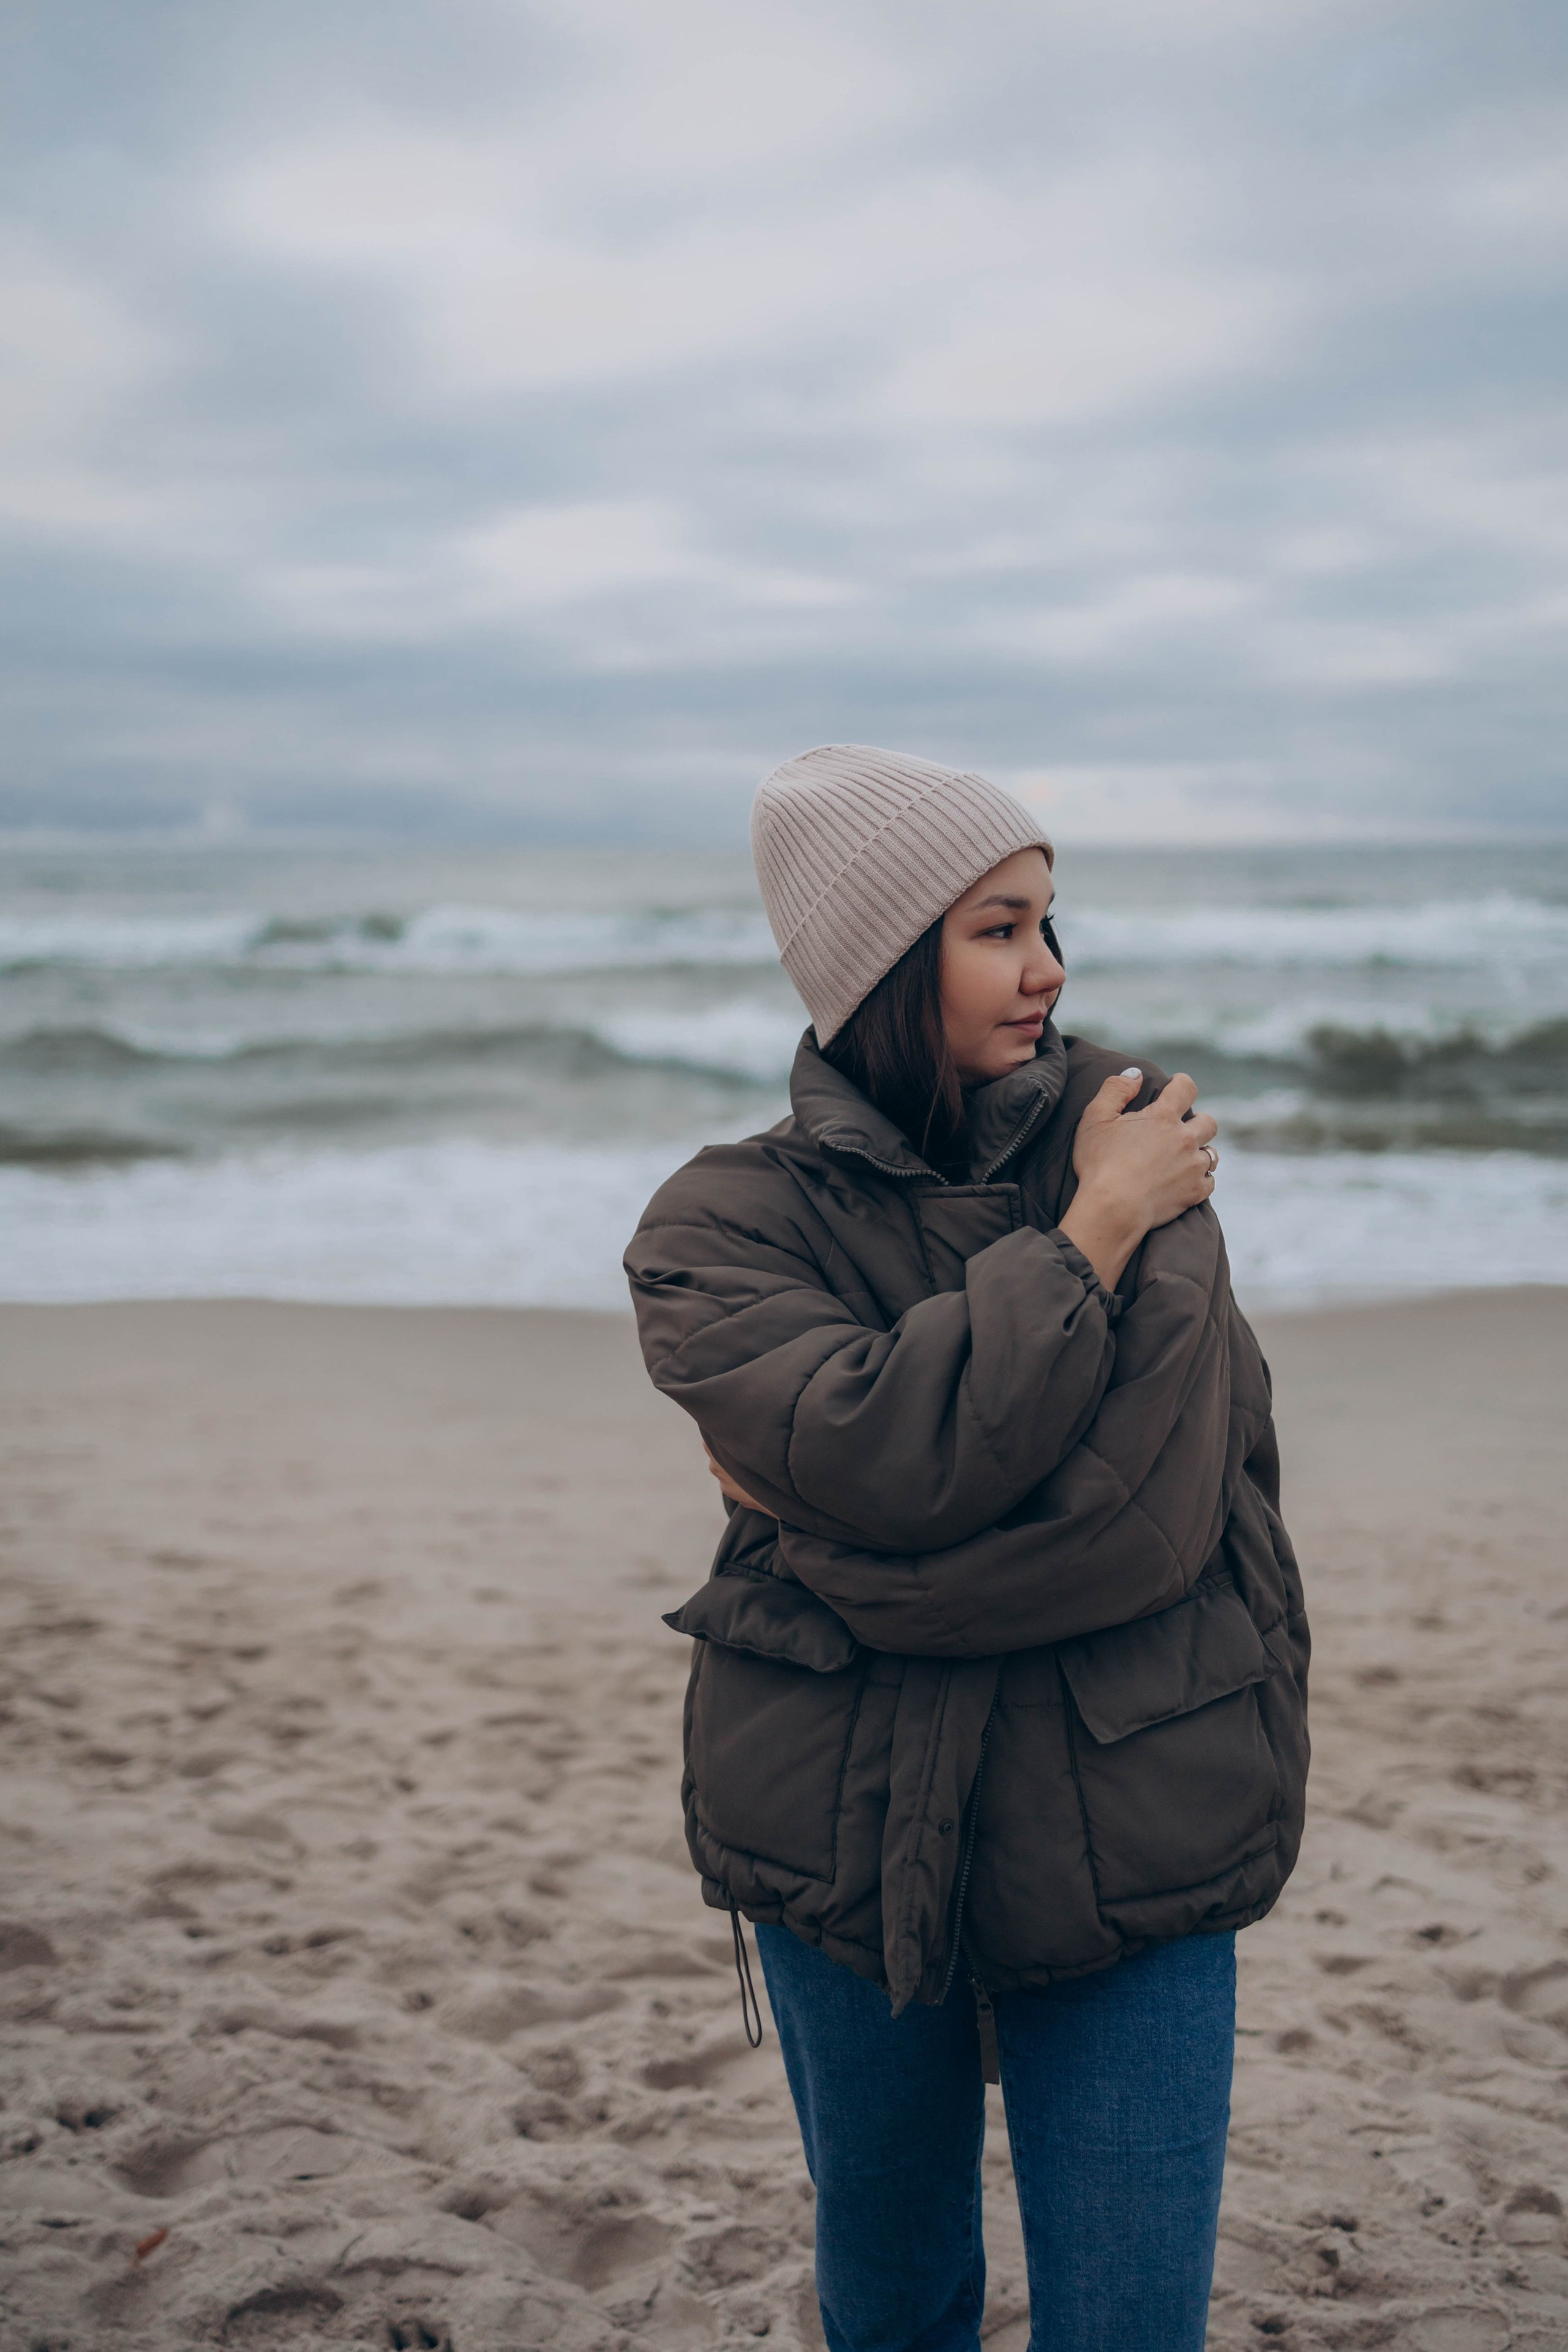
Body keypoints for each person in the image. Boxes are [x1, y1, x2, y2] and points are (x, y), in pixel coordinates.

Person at [624, 745, 1310, 2352]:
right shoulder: (715, 1227)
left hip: (1141, 1791)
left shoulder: (1148, 1141)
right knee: (893, 2302)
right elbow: (915, 1460)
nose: (1051, 971)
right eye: (998, 928)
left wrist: (828, 1528)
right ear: (880, 961)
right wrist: (1086, 1240)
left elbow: (1123, 1530)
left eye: (1052, 923)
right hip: (839, 1818)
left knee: (1132, 2326)